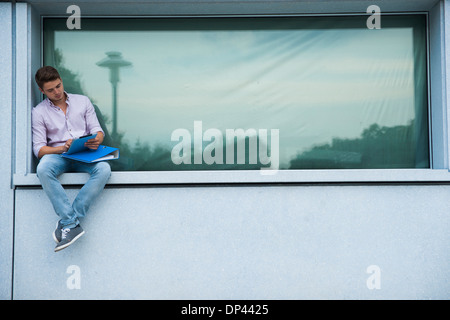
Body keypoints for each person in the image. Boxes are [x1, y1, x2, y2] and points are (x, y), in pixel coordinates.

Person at [32, 66, 111, 252]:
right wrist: (62, 148)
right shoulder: (39, 112)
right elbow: (39, 149)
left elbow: (98, 132)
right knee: (43, 169)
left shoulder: (82, 102)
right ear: (41, 91)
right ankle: (70, 223)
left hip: (84, 152)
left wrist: (96, 140)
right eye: (50, 90)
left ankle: (69, 222)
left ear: (61, 80)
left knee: (104, 169)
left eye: (58, 86)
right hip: (58, 155)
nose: (57, 92)